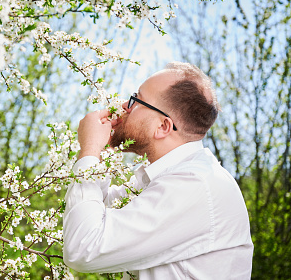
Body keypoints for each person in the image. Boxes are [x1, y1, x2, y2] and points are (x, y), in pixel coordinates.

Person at [62, 62, 253, 279]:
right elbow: (96, 212)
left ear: (163, 127)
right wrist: (101, 151)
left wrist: (90, 150)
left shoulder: (194, 185)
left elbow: (83, 248)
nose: (124, 105)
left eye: (136, 99)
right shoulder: (163, 178)